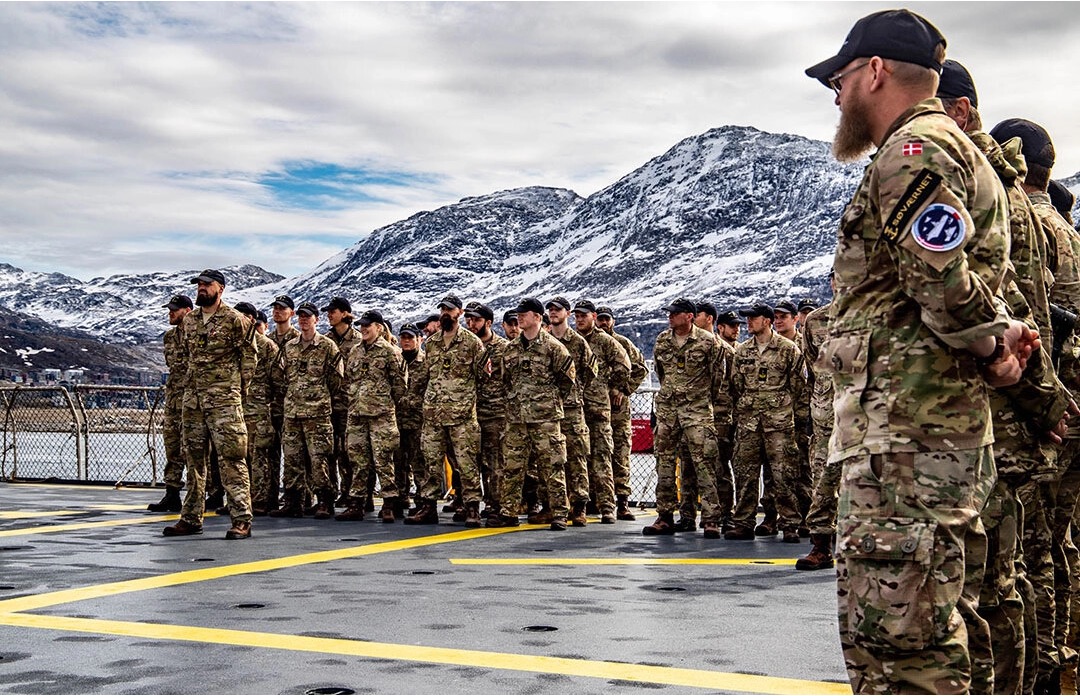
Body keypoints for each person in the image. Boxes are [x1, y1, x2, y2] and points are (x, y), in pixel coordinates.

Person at [805, 10, 1037, 692]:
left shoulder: (915, 154)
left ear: (874, 71)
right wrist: (996, 339)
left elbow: (940, 278)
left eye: (840, 80)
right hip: (925, 437)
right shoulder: (948, 150)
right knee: (936, 631)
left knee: (902, 652)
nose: (839, 96)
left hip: (905, 440)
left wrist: (991, 342)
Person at [938, 64, 1073, 693]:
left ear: (961, 111)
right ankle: (1048, 662)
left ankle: (1039, 670)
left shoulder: (980, 188)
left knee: (995, 576)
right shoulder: (1019, 199)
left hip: (997, 414)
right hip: (1027, 407)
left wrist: (1043, 402)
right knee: (1025, 560)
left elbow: (1005, 309)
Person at [991, 116, 1080, 694]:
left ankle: (1041, 665)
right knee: (1059, 541)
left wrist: (1043, 404)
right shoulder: (1068, 232)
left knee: (1028, 550)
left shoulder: (1023, 223)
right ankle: (1061, 649)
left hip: (1043, 409)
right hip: (1068, 405)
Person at [163, 269, 256, 540]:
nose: (202, 289)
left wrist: (238, 391)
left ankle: (241, 519)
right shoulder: (189, 321)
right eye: (199, 285)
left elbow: (249, 358)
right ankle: (191, 517)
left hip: (224, 402)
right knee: (194, 460)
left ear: (220, 289)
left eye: (207, 285)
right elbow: (185, 358)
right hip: (193, 402)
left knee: (232, 460)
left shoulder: (235, 320)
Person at [490, 298, 576, 530]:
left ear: (537, 317)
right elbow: (504, 380)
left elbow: (567, 381)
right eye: (518, 313)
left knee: (552, 466)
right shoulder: (511, 349)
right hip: (517, 419)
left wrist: (547, 401)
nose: (519, 317)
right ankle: (508, 512)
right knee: (513, 467)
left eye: (524, 313)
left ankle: (559, 512)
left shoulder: (553, 348)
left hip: (545, 419)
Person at [725, 303, 805, 543]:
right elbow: (735, 385)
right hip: (749, 423)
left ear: (767, 321)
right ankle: (744, 523)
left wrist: (794, 417)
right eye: (747, 319)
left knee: (783, 475)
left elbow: (799, 386)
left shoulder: (788, 349)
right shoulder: (742, 351)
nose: (748, 322)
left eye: (753, 318)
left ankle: (789, 523)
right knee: (745, 475)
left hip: (779, 423)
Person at [643, 298, 723, 538]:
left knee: (704, 464)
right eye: (670, 313)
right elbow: (661, 372)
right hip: (668, 410)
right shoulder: (662, 341)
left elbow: (717, 378)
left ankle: (710, 519)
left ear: (689, 316)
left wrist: (701, 400)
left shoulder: (709, 342)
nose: (670, 317)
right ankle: (664, 515)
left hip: (696, 411)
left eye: (676, 313)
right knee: (664, 463)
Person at [404, 294, 484, 527]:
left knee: (466, 463)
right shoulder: (432, 343)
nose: (445, 314)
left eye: (450, 310)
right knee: (431, 461)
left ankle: (471, 507)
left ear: (459, 313)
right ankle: (428, 507)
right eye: (443, 310)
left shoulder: (471, 343)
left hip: (462, 416)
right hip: (433, 415)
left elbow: (482, 378)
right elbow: (425, 375)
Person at [270, 302, 343, 520]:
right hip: (292, 413)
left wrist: (317, 396)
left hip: (317, 414)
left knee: (319, 459)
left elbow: (336, 380)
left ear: (316, 320)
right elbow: (280, 377)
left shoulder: (327, 346)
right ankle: (293, 501)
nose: (303, 320)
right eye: (300, 316)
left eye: (307, 316)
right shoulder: (290, 347)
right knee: (292, 459)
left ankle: (324, 501)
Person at [336, 310, 408, 522]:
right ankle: (357, 502)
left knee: (384, 460)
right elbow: (348, 379)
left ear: (379, 327)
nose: (364, 328)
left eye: (368, 325)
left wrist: (384, 404)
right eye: (362, 325)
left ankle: (389, 503)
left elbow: (400, 386)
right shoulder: (355, 352)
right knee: (358, 460)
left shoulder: (390, 352)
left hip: (381, 416)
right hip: (357, 415)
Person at [573, 299, 631, 524]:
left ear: (593, 317)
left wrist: (618, 388)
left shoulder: (606, 342)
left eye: (584, 316)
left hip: (599, 409)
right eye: (576, 316)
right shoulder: (573, 341)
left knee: (602, 459)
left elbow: (626, 366)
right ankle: (581, 505)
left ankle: (609, 506)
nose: (579, 319)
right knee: (578, 460)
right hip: (577, 409)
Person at [595, 306, 649, 519]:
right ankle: (596, 500)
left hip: (617, 410)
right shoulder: (588, 343)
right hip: (594, 408)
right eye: (599, 319)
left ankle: (623, 502)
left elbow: (640, 369)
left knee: (620, 454)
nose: (603, 323)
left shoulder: (623, 344)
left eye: (606, 319)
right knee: (596, 454)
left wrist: (623, 389)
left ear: (613, 321)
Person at [546, 296, 597, 526]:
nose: (553, 313)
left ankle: (579, 507)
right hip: (549, 409)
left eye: (558, 310)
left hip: (573, 408)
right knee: (552, 459)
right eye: (550, 310)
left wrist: (574, 392)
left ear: (567, 313)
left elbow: (589, 371)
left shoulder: (577, 342)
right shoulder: (543, 340)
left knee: (577, 458)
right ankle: (555, 505)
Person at [234, 302, 280, 517]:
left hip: (260, 411)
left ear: (252, 319)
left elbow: (279, 380)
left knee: (259, 457)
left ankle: (261, 499)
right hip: (237, 410)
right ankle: (239, 500)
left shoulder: (267, 346)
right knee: (238, 458)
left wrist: (268, 403)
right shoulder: (233, 345)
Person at [148, 294, 192, 513]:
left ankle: (199, 496)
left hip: (193, 400)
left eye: (175, 309)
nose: (171, 313)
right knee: (172, 448)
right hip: (174, 399)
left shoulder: (197, 335)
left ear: (188, 311)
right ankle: (172, 493)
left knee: (193, 450)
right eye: (170, 309)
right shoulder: (169, 337)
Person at [464, 301, 508, 518]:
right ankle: (469, 504)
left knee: (494, 463)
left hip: (494, 413)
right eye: (468, 319)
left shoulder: (502, 349)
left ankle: (494, 504)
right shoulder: (465, 345)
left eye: (476, 320)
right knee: (469, 462)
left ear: (488, 323)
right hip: (468, 413)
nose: (471, 324)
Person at [323, 296, 363, 507]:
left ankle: (353, 492)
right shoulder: (326, 340)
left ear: (346, 314)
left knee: (351, 451)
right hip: (330, 404)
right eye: (329, 311)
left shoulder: (358, 340)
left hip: (351, 404)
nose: (330, 314)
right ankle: (333, 491)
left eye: (334, 311)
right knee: (331, 450)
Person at [267, 294, 300, 511]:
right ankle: (268, 496)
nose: (278, 312)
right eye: (276, 308)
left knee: (293, 456)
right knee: (269, 454)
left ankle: (296, 498)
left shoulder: (299, 339)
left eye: (282, 308)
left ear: (291, 313)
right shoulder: (268, 340)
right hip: (271, 405)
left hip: (293, 406)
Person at [395, 323, 425, 517]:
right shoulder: (395, 360)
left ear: (418, 339)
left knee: (419, 463)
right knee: (397, 462)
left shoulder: (426, 362)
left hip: (417, 420)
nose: (406, 341)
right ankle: (399, 497)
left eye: (410, 338)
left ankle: (422, 500)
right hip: (397, 419)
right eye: (403, 338)